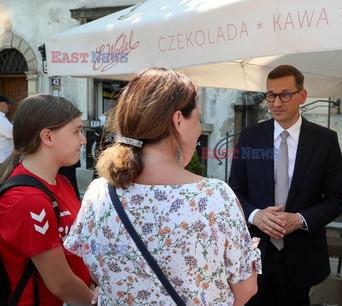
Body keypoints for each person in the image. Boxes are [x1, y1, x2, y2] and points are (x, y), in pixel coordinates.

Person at [64, 68, 261, 305]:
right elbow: (245, 289)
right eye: (197, 118)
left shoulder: (99, 192)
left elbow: (95, 272)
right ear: (178, 121)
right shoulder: (214, 197)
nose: (198, 129)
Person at [229, 65, 342, 305]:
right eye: (270, 95)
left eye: (285, 94)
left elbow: (336, 199)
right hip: (256, 254)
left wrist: (301, 219)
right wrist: (255, 215)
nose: (276, 102)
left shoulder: (325, 140)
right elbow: (235, 191)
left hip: (302, 257)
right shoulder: (250, 137)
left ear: (302, 96)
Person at [0, 94, 97, 305]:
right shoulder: (27, 199)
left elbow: (79, 248)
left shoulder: (62, 182)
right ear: (48, 137)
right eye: (76, 131)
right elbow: (60, 284)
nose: (83, 139)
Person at [0, 94, 14, 164]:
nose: (9, 106)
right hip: (3, 159)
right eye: (7, 103)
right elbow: (12, 133)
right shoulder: (0, 119)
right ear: (0, 105)